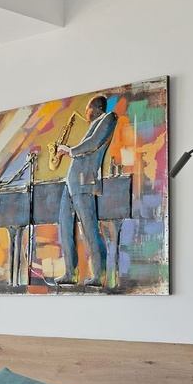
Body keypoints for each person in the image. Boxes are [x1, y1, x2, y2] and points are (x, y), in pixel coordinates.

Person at [56, 94, 119, 287]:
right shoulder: (95, 123)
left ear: (98, 108)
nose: (86, 112)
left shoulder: (108, 118)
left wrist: (69, 150)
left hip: (84, 183)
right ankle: (70, 273)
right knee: (65, 229)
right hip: (72, 183)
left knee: (89, 230)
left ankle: (98, 275)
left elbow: (93, 143)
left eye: (88, 108)